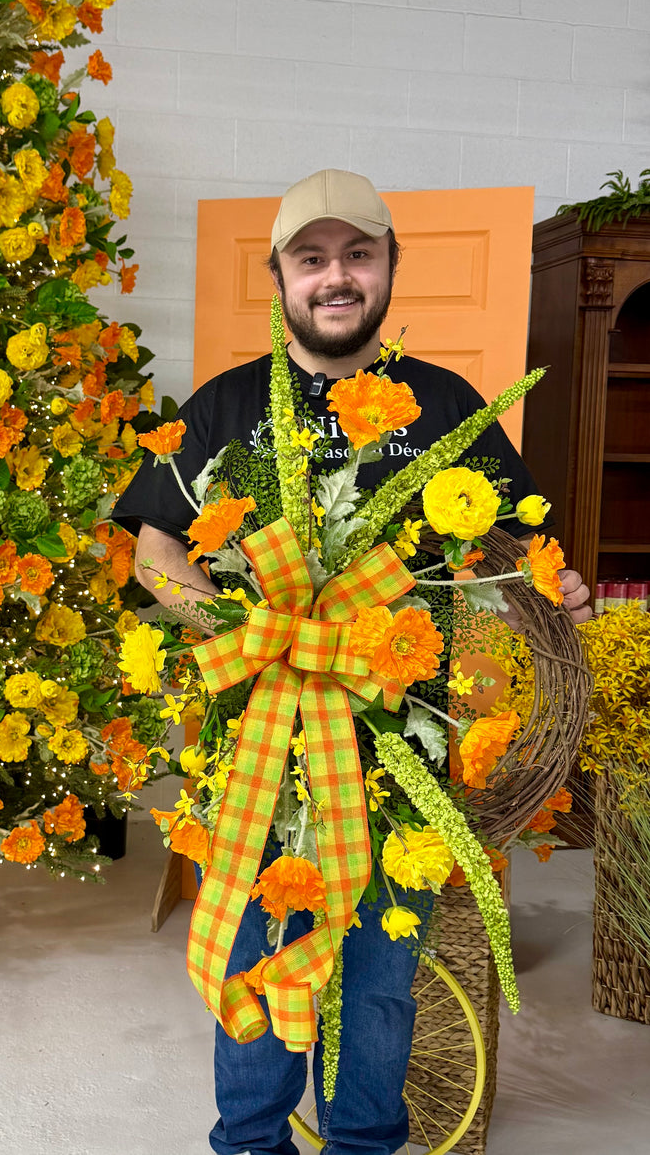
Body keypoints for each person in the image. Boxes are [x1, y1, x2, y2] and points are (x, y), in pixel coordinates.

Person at [113, 169, 591, 1155]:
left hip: (402, 738)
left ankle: (363, 1142)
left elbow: (513, 547)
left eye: (357, 254)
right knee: (253, 948)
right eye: (312, 257)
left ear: (388, 267)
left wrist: (557, 589)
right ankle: (251, 1140)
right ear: (280, 276)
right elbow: (153, 550)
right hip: (257, 736)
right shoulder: (225, 405)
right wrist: (243, 629)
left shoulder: (444, 403)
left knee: (377, 972)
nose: (335, 276)